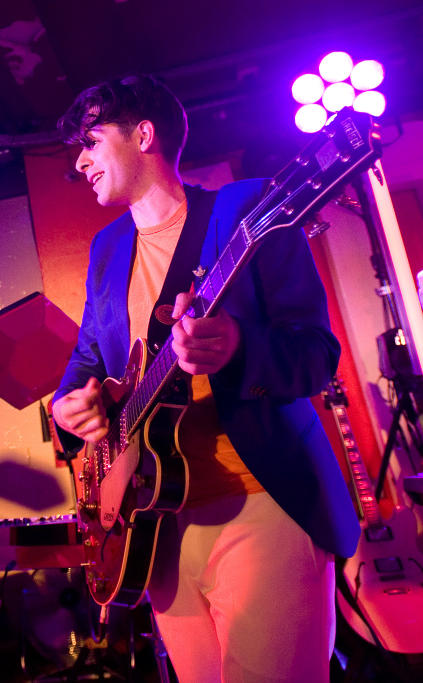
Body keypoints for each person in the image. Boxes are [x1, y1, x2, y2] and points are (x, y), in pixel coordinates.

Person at [50, 75, 360, 681]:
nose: (80, 161)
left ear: (144, 135)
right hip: (155, 523)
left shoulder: (247, 208)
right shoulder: (106, 249)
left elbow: (317, 356)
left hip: (260, 500)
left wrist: (240, 347)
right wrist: (70, 405)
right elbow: (88, 361)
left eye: (90, 141)